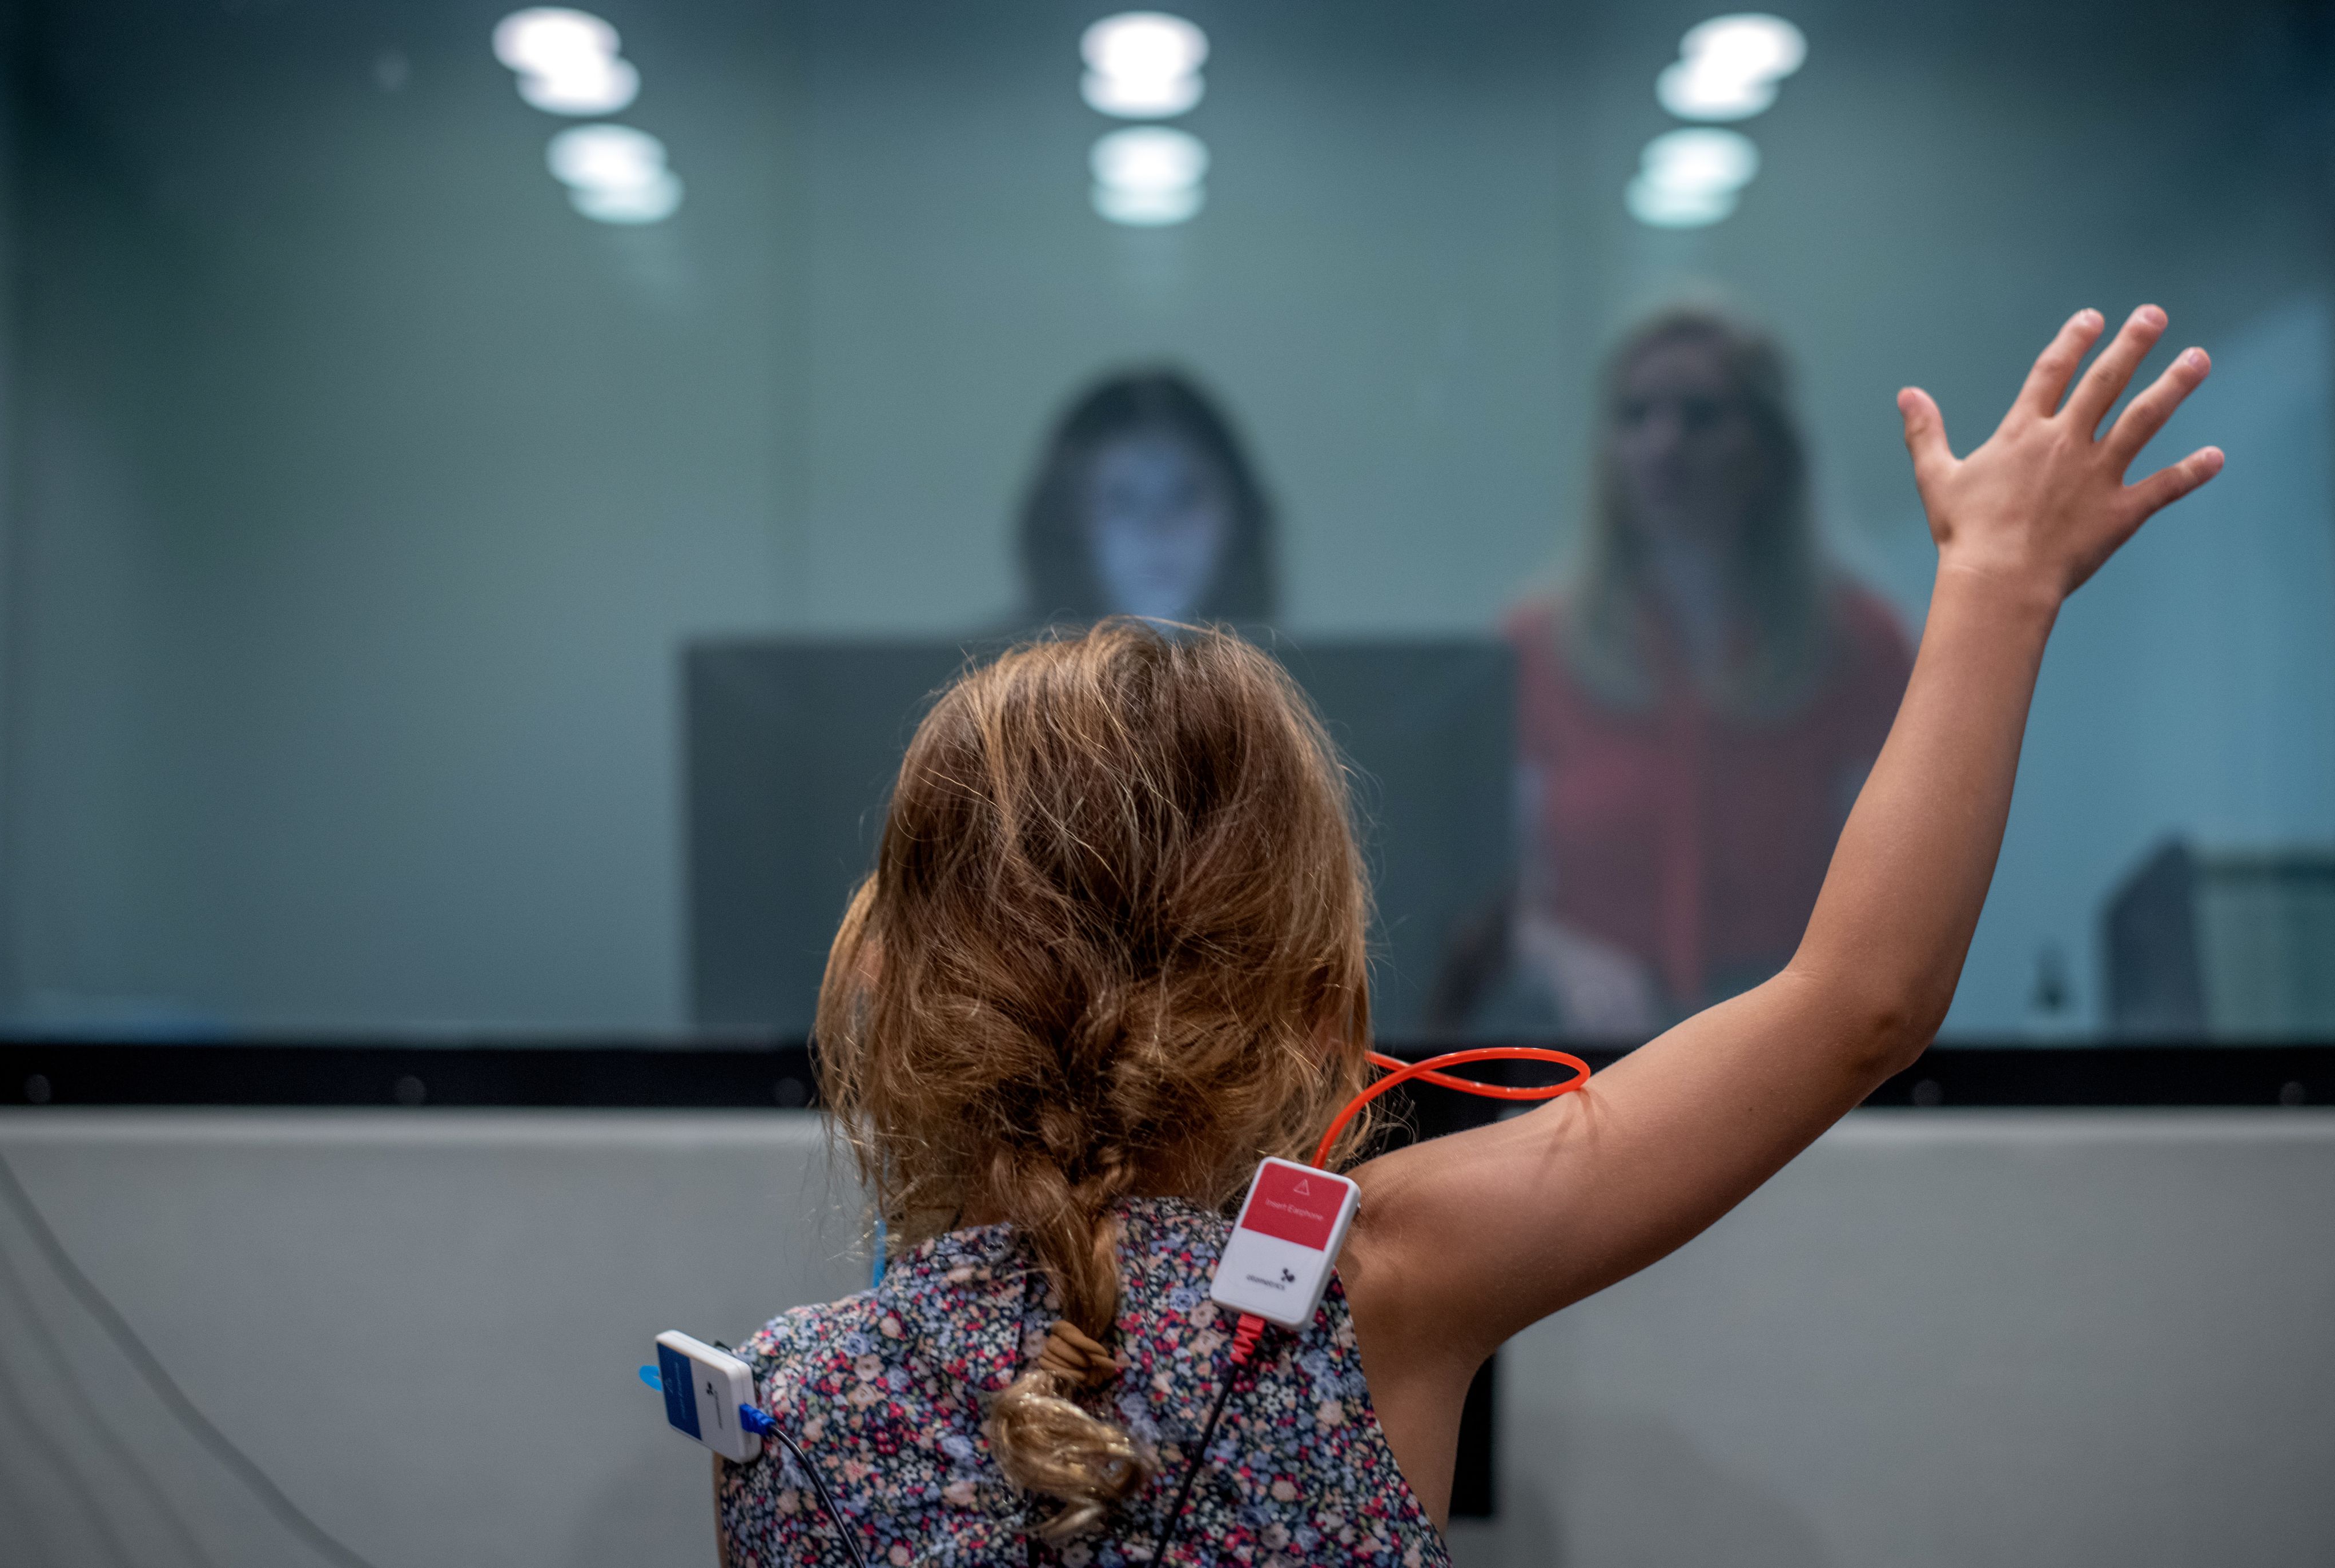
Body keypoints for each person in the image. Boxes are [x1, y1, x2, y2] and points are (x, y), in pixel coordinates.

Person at [716, 308, 2221, 1565]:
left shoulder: (784, 1401)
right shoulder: (1374, 1285)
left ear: (906, 969)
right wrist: (2001, 583)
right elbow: (1859, 1003)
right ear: (1301, 952)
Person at [1444, 309, 1918, 1038]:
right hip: (1587, 1038)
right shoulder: (1536, 644)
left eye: (1701, 416)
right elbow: (1488, 887)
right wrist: (1562, 957)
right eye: (1635, 415)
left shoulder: (1858, 643)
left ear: (1767, 447)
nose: (1662, 444)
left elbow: (1906, 879)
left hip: (1795, 1037)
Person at [1015, 369, 1277, 629]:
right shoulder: (992, 668)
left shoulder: (1293, 666)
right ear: (1069, 519)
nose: (1159, 528)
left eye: (1185, 496)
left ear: (1238, 515)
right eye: (1123, 501)